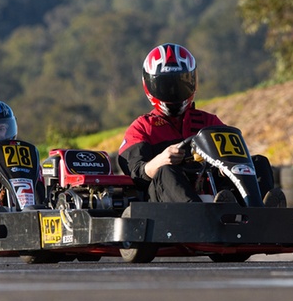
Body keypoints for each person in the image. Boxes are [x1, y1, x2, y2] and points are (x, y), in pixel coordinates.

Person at [118, 42, 281, 204]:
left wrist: (229, 167)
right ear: (149, 84)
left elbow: (235, 157)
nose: (174, 91)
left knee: (258, 162)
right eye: (166, 86)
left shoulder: (208, 122)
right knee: (166, 171)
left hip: (210, 189)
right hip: (164, 204)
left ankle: (259, 211)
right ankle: (200, 214)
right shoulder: (142, 128)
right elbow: (135, 174)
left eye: (180, 84)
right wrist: (160, 160)